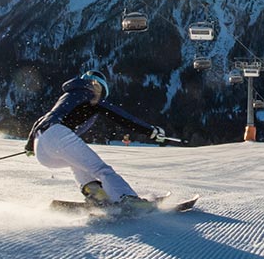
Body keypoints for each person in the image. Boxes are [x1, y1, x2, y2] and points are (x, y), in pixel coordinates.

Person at [24, 70, 167, 209]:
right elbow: (120, 116)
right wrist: (151, 131)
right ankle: (128, 199)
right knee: (101, 169)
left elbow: (41, 120)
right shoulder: (90, 94)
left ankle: (97, 195)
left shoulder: (69, 95)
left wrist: (30, 146)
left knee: (77, 162)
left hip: (41, 147)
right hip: (57, 134)